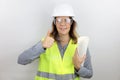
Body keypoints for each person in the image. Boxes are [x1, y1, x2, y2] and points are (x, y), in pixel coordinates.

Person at [18, 4, 93, 80]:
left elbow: (89, 74)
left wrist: (78, 67)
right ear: (55, 22)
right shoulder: (45, 43)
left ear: (71, 22)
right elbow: (21, 60)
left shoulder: (80, 44)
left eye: (66, 20)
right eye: (59, 20)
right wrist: (42, 46)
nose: (62, 24)